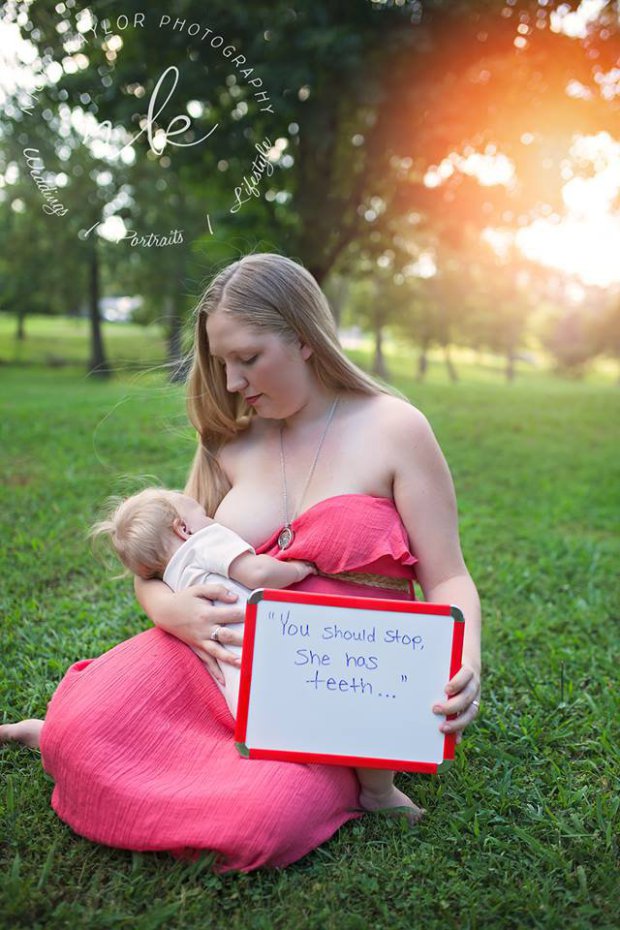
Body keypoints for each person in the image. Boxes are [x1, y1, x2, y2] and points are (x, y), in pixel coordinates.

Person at [1, 253, 481, 872]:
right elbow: (160, 567)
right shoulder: (230, 439)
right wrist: (174, 611)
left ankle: (324, 783)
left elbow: (449, 576)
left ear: (305, 339)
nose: (231, 382)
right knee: (77, 731)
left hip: (331, 686)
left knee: (260, 823)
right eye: (221, 361)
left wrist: (464, 660)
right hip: (208, 658)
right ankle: (67, 737)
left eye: (248, 359)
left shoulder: (395, 429)